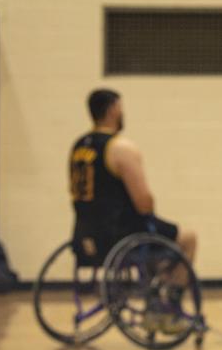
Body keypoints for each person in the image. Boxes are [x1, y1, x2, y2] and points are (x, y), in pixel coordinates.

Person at [70, 89, 199, 331]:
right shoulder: (121, 148)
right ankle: (167, 308)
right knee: (188, 238)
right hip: (121, 235)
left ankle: (155, 295)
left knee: (156, 236)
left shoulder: (79, 146)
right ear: (113, 110)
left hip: (84, 235)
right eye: (120, 107)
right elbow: (143, 203)